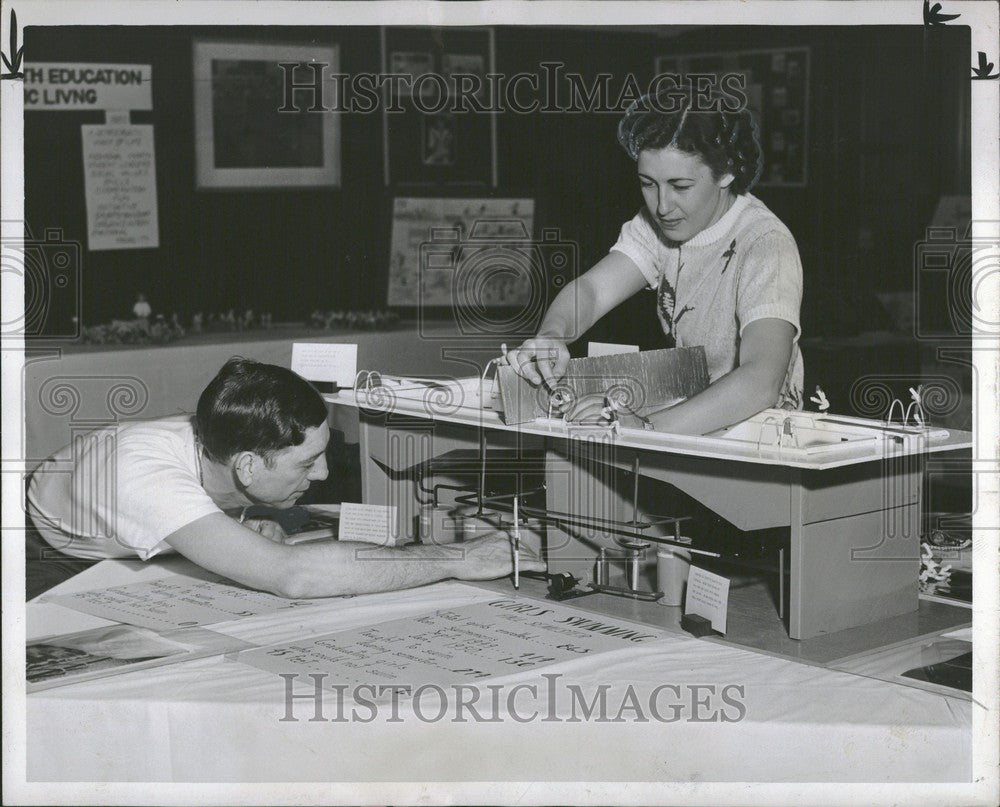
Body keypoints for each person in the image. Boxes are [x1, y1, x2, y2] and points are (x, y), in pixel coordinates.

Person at [27, 358, 541, 598]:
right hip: (35, 551)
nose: (321, 474)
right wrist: (459, 557)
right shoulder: (145, 479)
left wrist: (242, 517)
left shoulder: (223, 448)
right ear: (249, 465)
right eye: (306, 462)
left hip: (105, 521)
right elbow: (294, 575)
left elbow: (212, 487)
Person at [506, 93, 804, 435]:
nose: (662, 206)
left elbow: (760, 380)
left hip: (761, 435)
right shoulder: (659, 226)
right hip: (688, 422)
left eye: (680, 186)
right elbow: (592, 291)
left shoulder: (765, 243)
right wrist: (551, 334)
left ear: (727, 173)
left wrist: (644, 426)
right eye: (648, 184)